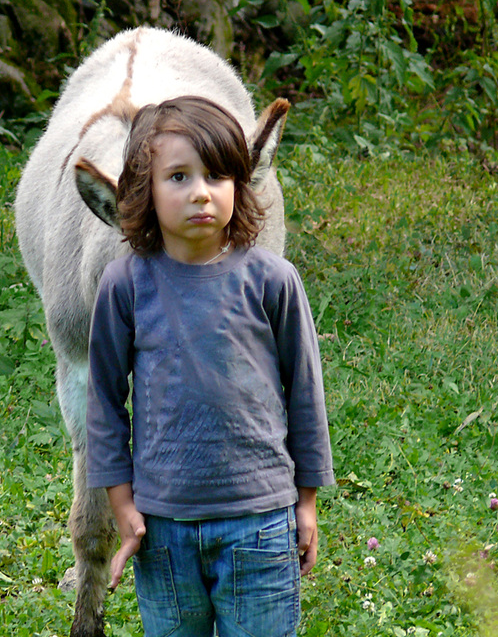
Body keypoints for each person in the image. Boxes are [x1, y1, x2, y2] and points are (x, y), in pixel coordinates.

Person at [85, 96, 335, 637]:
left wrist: (307, 503)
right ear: (142, 190)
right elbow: (104, 400)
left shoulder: (273, 279)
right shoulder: (126, 285)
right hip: (163, 530)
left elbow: (305, 393)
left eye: (218, 174)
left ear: (240, 185)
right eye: (178, 176)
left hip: (263, 522)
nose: (201, 191)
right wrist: (123, 505)